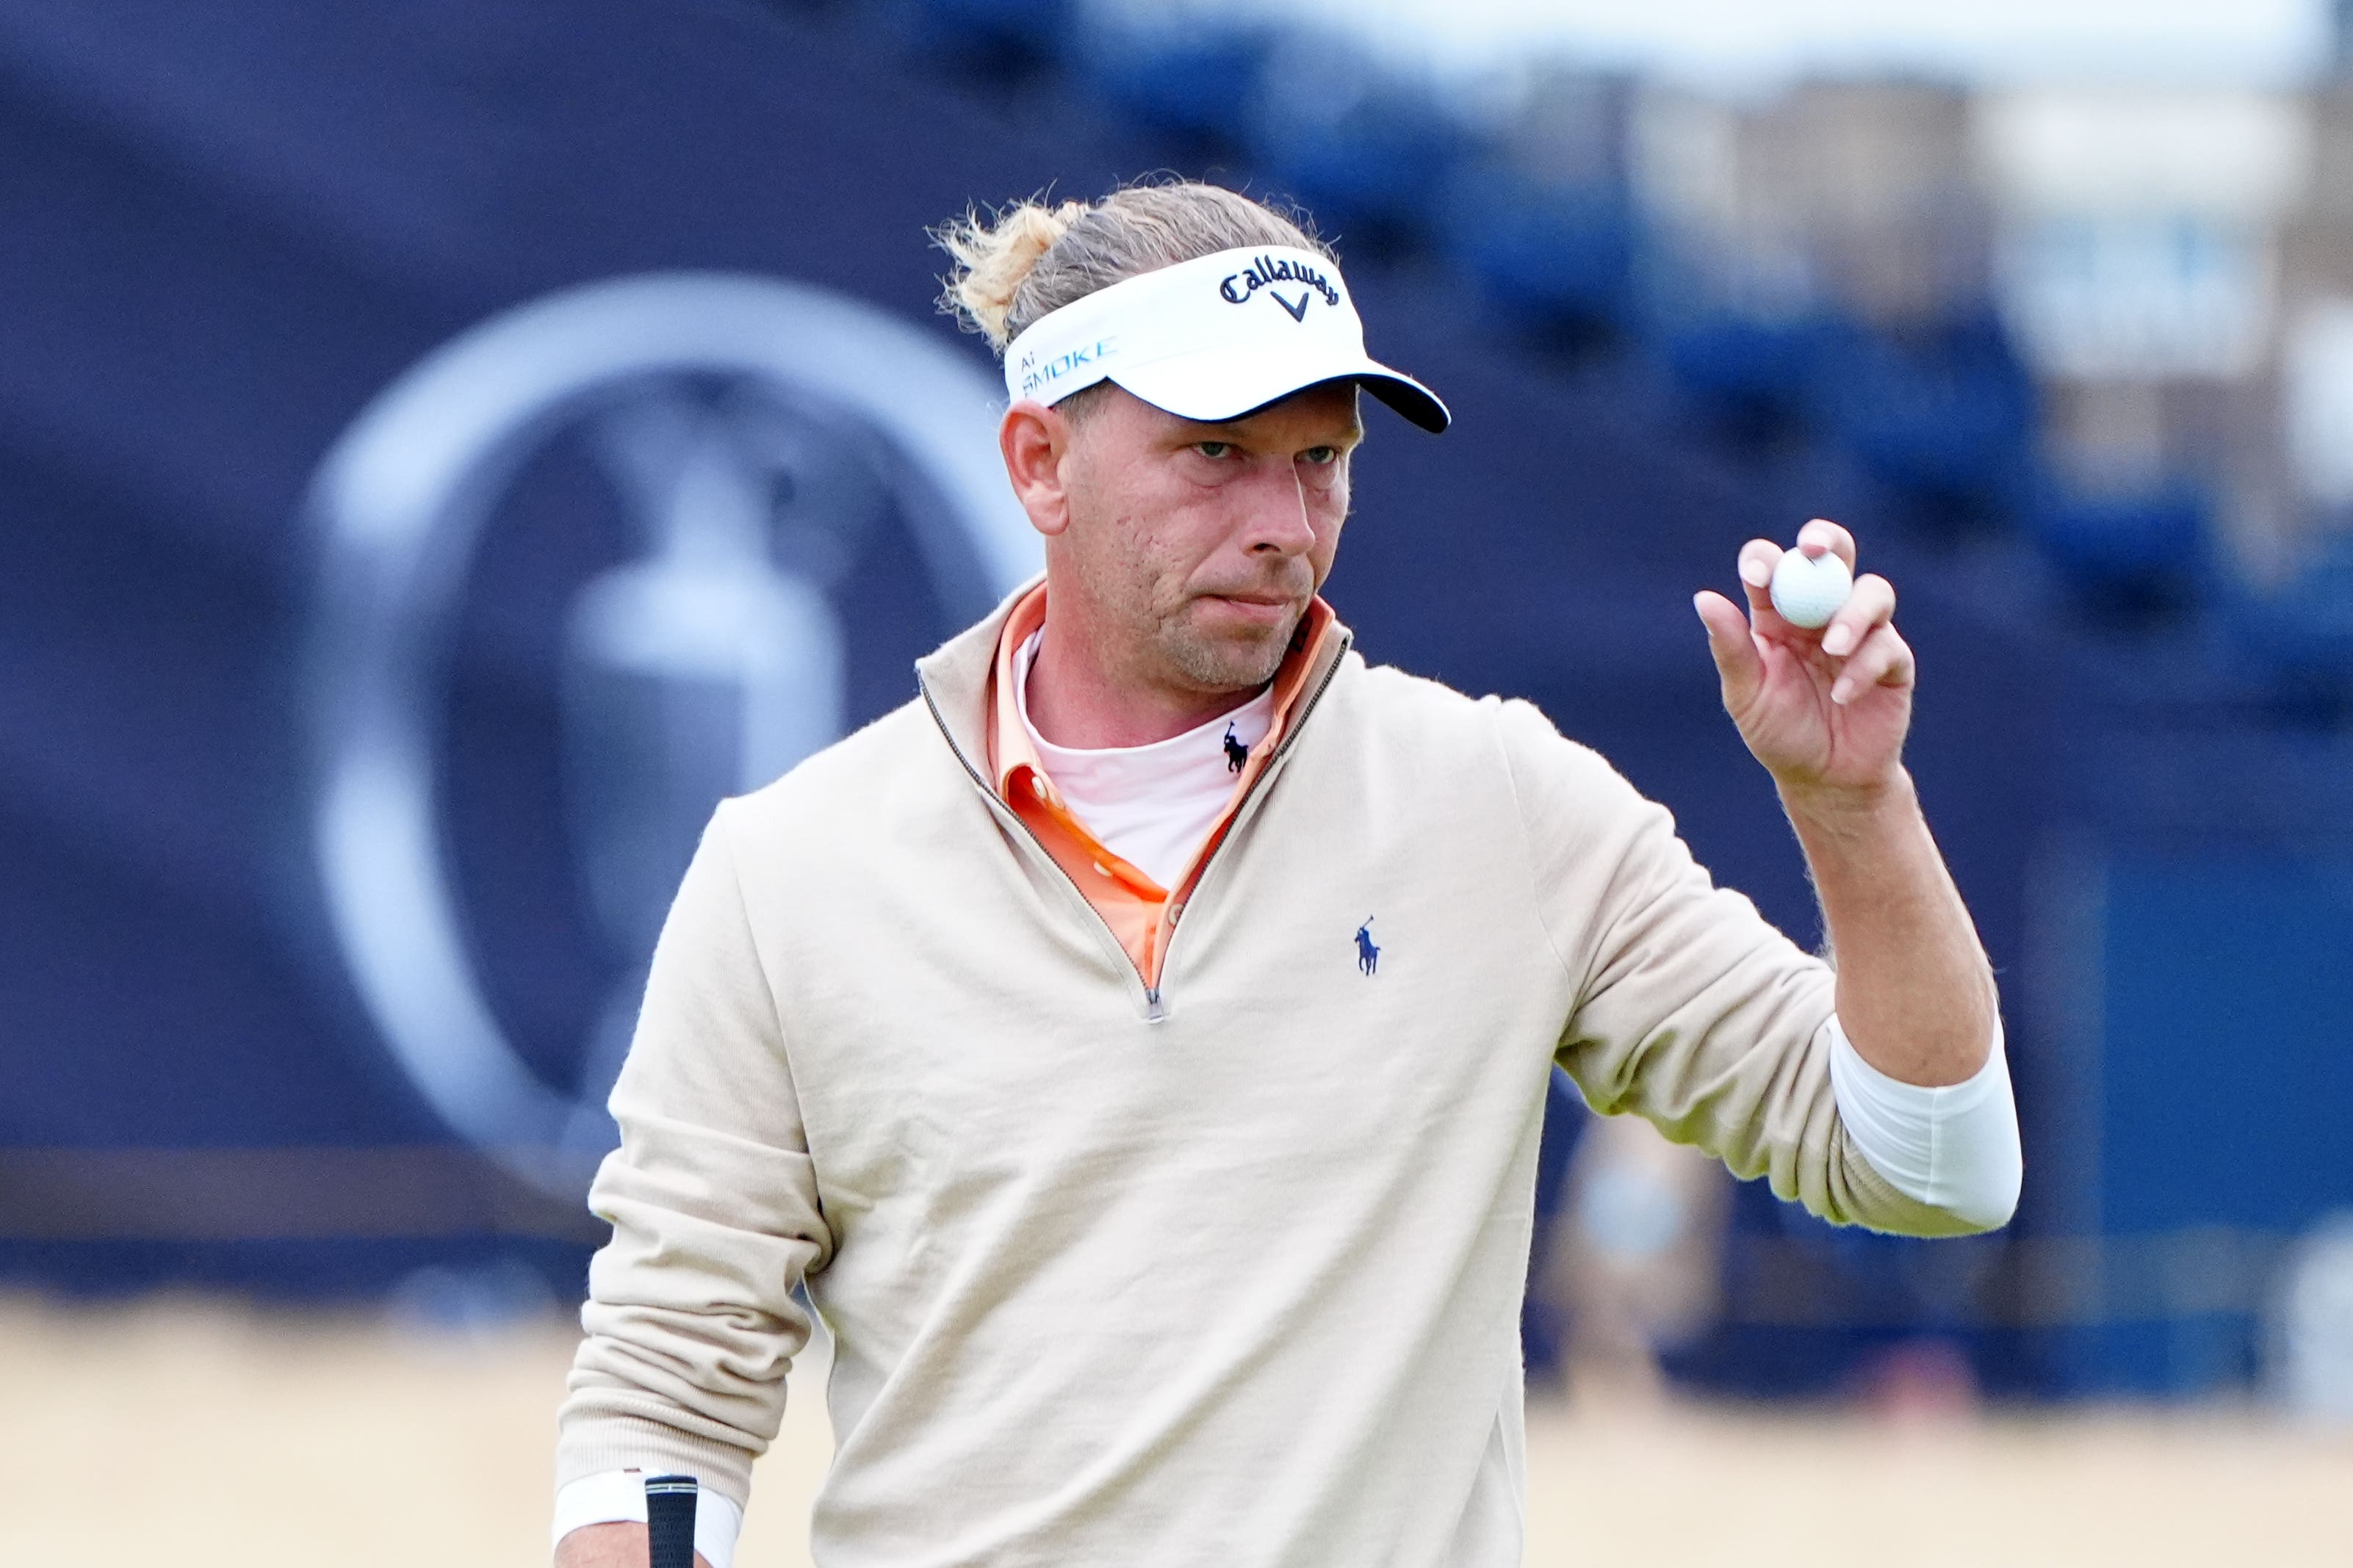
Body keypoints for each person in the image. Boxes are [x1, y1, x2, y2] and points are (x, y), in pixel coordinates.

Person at [550, 179, 2022, 1568]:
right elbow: (663, 1404)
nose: (1282, 523)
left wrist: (1852, 805)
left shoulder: (1503, 805)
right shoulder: (794, 865)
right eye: (1215, 454)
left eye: (1320, 459)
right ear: (1039, 464)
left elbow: (1932, 1167)